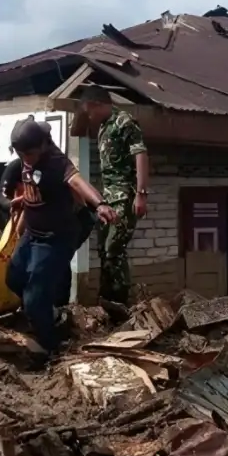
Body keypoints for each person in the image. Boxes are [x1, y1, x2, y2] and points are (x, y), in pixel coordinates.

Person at [5, 118, 117, 355]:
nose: (26, 158)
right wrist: (24, 201)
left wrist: (100, 204)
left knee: (34, 299)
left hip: (55, 238)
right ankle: (52, 315)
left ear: (43, 146)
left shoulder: (56, 161)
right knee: (13, 278)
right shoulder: (29, 155)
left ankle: (50, 347)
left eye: (30, 154)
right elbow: (38, 187)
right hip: (33, 233)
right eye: (21, 154)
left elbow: (77, 182)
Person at [76, 87, 149, 305]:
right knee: (104, 251)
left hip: (125, 196)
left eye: (89, 112)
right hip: (108, 198)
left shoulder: (124, 121)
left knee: (114, 250)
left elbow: (141, 154)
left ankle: (119, 300)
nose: (89, 117)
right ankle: (107, 299)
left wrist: (141, 194)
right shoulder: (104, 127)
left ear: (98, 104)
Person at [0, 154, 94, 306]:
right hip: (53, 221)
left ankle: (59, 307)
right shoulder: (17, 170)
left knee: (56, 262)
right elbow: (9, 203)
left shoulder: (51, 171)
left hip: (75, 220)